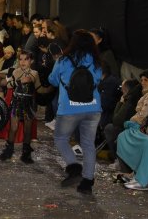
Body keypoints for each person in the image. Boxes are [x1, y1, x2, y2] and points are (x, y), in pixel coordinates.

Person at [48, 29, 102, 194]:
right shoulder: (96, 61)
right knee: (88, 144)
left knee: (60, 138)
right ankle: (87, 181)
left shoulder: (64, 60)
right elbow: (98, 79)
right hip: (93, 108)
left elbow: (53, 80)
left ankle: (73, 167)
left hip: (69, 108)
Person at [0, 50, 47, 164]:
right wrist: (18, 81)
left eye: (26, 59)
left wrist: (51, 89)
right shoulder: (15, 72)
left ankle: (26, 153)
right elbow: (5, 84)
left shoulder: (34, 74)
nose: (23, 61)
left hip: (29, 103)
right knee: (13, 128)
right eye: (20, 59)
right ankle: (9, 150)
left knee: (27, 129)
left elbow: (39, 89)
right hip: (16, 102)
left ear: (32, 61)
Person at [116, 94, 148, 191]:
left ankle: (142, 180)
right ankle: (136, 173)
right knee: (125, 135)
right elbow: (147, 120)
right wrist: (144, 129)